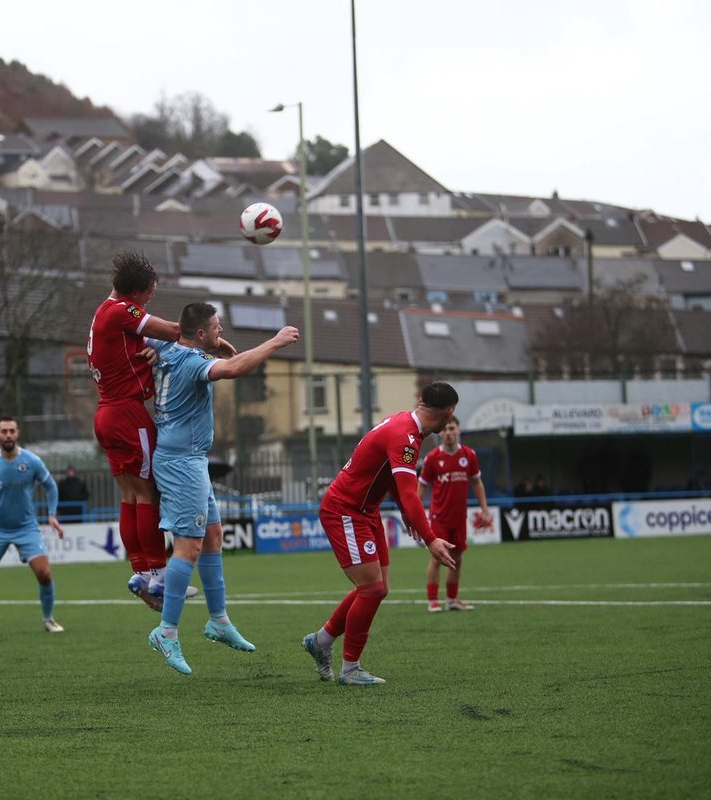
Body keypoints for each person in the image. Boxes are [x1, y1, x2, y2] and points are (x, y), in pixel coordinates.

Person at [145, 303, 299, 675]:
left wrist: (212, 346)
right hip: (181, 463)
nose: (221, 328)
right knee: (190, 545)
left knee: (213, 535)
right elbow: (235, 369)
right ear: (200, 334)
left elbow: (144, 336)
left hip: (190, 459)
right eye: (216, 326)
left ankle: (219, 621)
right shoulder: (192, 363)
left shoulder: (166, 345)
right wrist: (274, 342)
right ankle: (166, 632)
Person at [87, 250, 229, 609]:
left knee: (130, 494)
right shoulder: (123, 311)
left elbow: (140, 341)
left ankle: (142, 572)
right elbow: (175, 331)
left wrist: (149, 351)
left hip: (106, 413)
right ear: (136, 293)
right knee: (147, 493)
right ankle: (159, 575)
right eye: (150, 291)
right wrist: (210, 340)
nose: (152, 296)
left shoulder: (107, 310)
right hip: (127, 413)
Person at [302, 382, 459, 686]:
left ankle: (320, 641)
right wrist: (431, 539)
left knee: (378, 587)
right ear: (447, 412)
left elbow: (393, 481)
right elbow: (411, 494)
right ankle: (351, 669)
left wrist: (401, 507)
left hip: (365, 511)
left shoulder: (404, 424)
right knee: (371, 589)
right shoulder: (406, 437)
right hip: (345, 511)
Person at [0, 416, 66, 636]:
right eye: (4, 431)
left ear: (18, 434)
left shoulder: (32, 461)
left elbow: (51, 487)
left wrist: (52, 514)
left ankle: (48, 620)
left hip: (26, 527)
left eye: (12, 431)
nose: (8, 435)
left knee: (45, 574)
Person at [418, 416, 492, 612]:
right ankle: (433, 600)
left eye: (452, 428)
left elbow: (477, 482)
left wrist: (484, 510)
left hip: (459, 517)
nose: (448, 432)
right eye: (445, 429)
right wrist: (415, 513)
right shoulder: (432, 458)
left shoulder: (469, 455)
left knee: (457, 558)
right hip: (438, 517)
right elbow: (421, 486)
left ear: (458, 430)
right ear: (440, 432)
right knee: (436, 558)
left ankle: (452, 599)